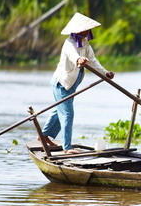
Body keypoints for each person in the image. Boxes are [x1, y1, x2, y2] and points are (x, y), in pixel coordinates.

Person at [42, 12, 114, 154]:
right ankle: (67, 148)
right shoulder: (69, 43)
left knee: (59, 110)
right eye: (84, 29)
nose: (86, 31)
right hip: (62, 84)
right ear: (77, 30)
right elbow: (73, 55)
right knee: (67, 114)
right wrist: (79, 60)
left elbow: (93, 61)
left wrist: (105, 73)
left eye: (87, 29)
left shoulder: (85, 44)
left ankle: (43, 136)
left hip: (71, 84)